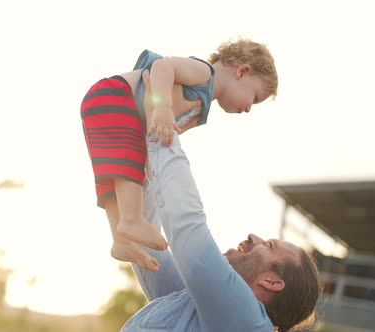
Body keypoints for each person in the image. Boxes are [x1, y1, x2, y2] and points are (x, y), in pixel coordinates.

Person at [80, 38, 277, 271]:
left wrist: (150, 161)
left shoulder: (199, 111)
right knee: (126, 166)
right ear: (242, 71)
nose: (248, 109)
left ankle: (120, 239)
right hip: (115, 96)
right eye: (254, 98)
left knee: (114, 176)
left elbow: (158, 136)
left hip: (106, 107)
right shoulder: (205, 74)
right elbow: (163, 67)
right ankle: (131, 220)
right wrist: (162, 107)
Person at [120, 121, 320, 331]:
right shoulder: (201, 302)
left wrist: (161, 122)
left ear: (271, 282)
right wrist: (137, 135)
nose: (253, 237)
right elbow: (146, 249)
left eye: (269, 245)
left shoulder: (245, 321)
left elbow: (188, 227)